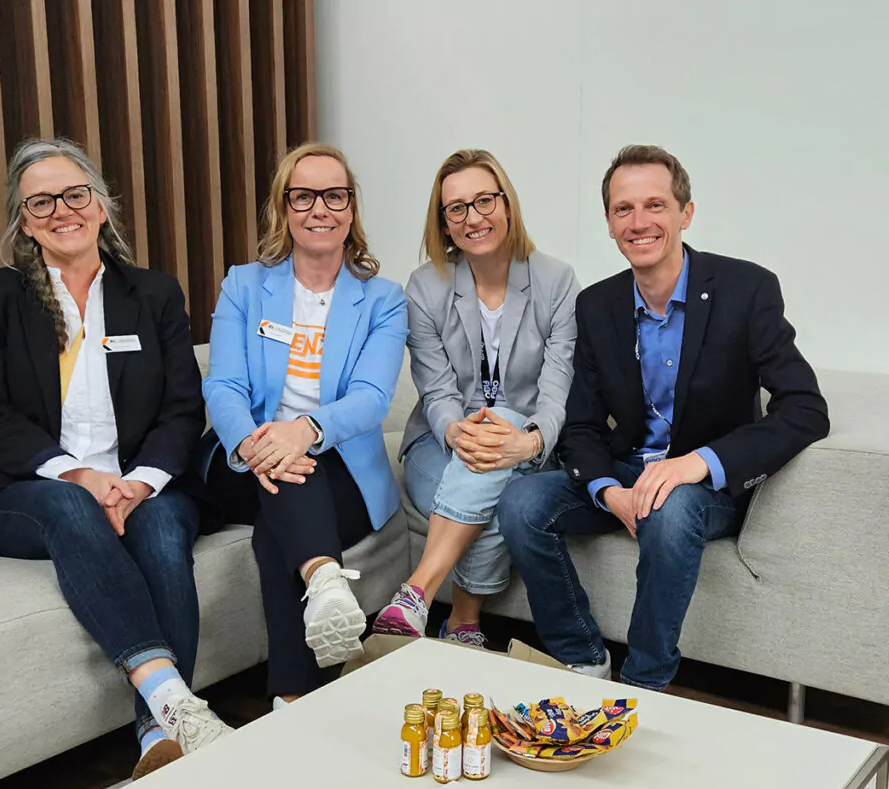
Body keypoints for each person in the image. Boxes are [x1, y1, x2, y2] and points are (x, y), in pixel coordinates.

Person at [0, 138, 230, 780]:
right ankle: (169, 695)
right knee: (72, 504)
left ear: (101, 207)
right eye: (39, 201)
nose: (60, 210)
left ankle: (159, 738)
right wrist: (77, 473)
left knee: (160, 531)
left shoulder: (153, 294)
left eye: (75, 195)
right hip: (28, 489)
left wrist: (139, 483)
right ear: (22, 219)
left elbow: (183, 409)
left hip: (145, 482)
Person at [499, 145, 830, 689]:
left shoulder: (746, 290)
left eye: (655, 204)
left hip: (706, 487)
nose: (639, 222)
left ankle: (646, 683)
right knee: (521, 501)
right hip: (629, 472)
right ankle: (581, 656)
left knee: (672, 507)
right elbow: (581, 424)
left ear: (686, 213)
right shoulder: (598, 305)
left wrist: (699, 463)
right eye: (623, 209)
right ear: (608, 223)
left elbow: (806, 409)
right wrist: (610, 491)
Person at [201, 142, 407, 705]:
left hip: (336, 464)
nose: (320, 208)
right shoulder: (245, 286)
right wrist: (255, 441)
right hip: (245, 459)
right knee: (293, 478)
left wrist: (305, 432)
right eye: (304, 196)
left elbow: (370, 398)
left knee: (282, 522)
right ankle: (324, 578)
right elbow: (223, 385)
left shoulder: (383, 301)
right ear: (284, 208)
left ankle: (289, 699)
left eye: (334, 195)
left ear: (351, 207)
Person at [372, 149, 580, 646]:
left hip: (529, 449)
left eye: (484, 201)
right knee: (498, 484)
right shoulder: (424, 288)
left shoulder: (557, 282)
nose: (473, 217)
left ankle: (416, 593)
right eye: (457, 208)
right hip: (439, 447)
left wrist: (527, 442)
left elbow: (556, 393)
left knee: (506, 436)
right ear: (444, 224)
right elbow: (437, 390)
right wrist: (456, 430)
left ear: (507, 205)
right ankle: (463, 623)